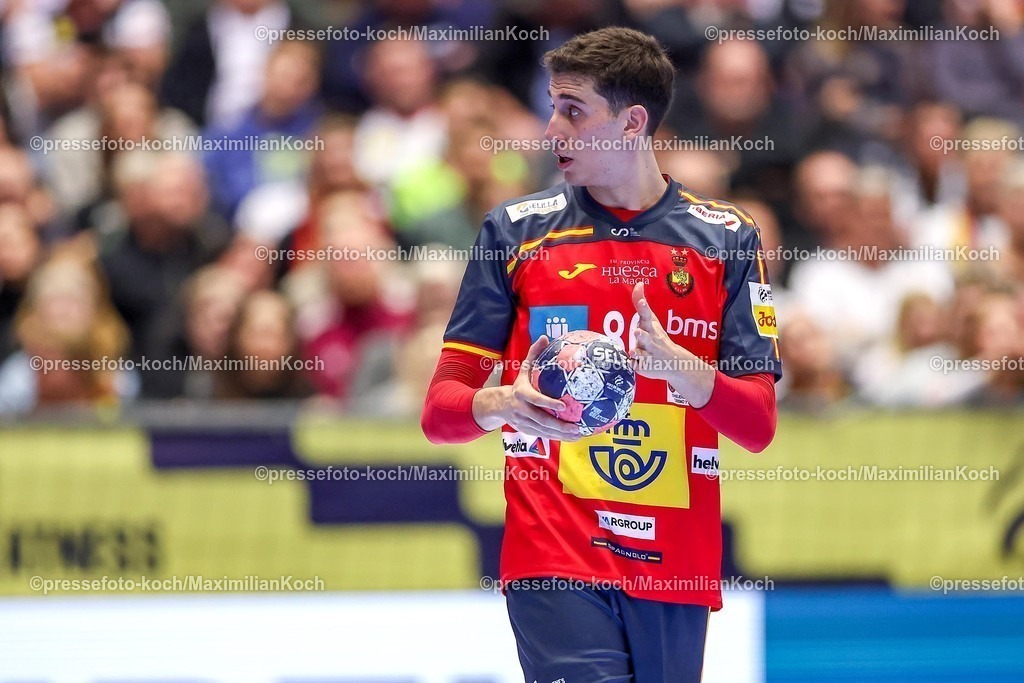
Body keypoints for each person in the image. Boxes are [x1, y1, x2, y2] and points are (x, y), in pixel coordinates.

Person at [421, 27, 781, 682]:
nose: (551, 127)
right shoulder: (515, 232)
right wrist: (501, 401)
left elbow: (757, 425)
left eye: (573, 109)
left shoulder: (726, 239)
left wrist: (682, 368)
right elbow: (440, 413)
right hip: (552, 554)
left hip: (675, 563)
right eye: (552, 105)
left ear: (632, 122)